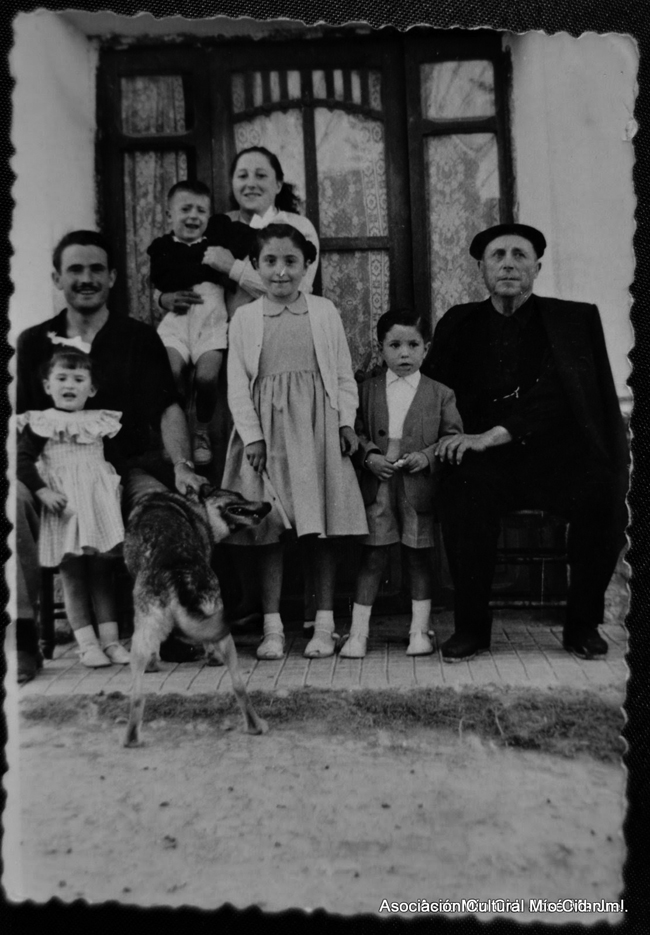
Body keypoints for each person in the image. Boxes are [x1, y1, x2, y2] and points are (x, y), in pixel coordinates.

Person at [424, 223, 629, 662]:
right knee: (462, 492)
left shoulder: (572, 320)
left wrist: (492, 435)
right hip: (484, 463)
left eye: (520, 255)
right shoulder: (459, 322)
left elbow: (557, 396)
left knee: (603, 493)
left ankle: (582, 626)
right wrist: (451, 435)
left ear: (537, 266)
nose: (509, 264)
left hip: (554, 457)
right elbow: (434, 389)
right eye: (498, 256)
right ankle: (471, 629)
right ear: (481, 268)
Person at [15, 230, 205, 683]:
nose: (86, 278)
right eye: (75, 270)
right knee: (14, 502)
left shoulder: (137, 337)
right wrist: (36, 481)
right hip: (55, 470)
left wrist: (182, 465)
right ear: (57, 277)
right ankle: (21, 633)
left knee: (165, 507)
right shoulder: (33, 343)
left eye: (96, 269)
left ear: (113, 277)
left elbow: (168, 407)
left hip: (127, 466)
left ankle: (170, 622)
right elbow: (24, 423)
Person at [222, 223, 368, 660]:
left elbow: (342, 374)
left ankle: (324, 625)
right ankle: (273, 629)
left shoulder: (324, 311)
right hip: (267, 435)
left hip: (316, 427)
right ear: (255, 266)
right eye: (270, 261)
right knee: (268, 529)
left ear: (307, 265)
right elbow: (236, 386)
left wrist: (345, 423)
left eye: (291, 262)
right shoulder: (245, 318)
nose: (281, 272)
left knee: (318, 527)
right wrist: (253, 436)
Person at [341, 309, 462, 659]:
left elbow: (451, 437)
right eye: (395, 345)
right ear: (381, 348)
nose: (404, 353)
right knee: (373, 556)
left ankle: (419, 631)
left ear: (427, 348)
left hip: (417, 487)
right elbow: (356, 429)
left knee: (418, 557)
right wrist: (369, 456)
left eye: (413, 345)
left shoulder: (441, 393)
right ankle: (358, 634)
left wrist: (427, 457)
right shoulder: (366, 390)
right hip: (379, 486)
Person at [17, 345, 129, 667]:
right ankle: (87, 644)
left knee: (101, 573)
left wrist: (115, 486)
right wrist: (42, 492)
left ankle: (111, 641)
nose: (69, 385)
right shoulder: (43, 422)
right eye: (61, 378)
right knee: (74, 575)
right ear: (47, 386)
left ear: (91, 388)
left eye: (79, 379)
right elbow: (22, 462)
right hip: (64, 507)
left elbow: (114, 459)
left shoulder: (99, 421)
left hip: (96, 506)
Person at [147, 180, 234, 466]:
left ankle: (201, 431)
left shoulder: (217, 246)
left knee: (207, 378)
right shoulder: (161, 247)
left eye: (201, 210)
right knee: (169, 374)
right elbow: (160, 279)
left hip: (210, 324)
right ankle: (174, 435)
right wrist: (165, 296)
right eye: (185, 209)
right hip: (178, 324)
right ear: (169, 215)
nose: (193, 216)